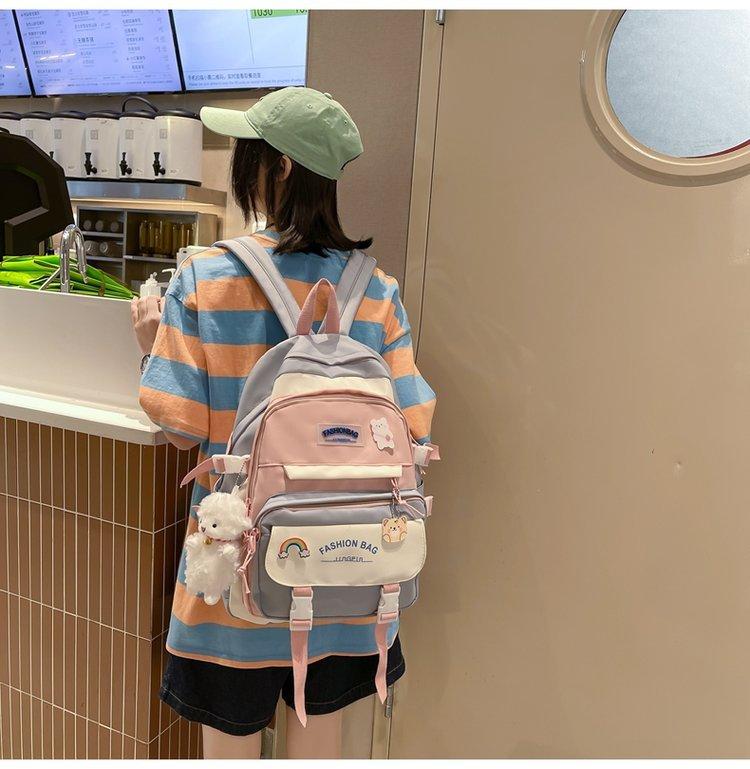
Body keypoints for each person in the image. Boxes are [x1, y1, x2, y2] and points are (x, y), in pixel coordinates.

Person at [131, 87, 436, 759]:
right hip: (349, 572)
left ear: (281, 166)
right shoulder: (376, 290)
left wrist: (153, 347)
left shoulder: (205, 276)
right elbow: (413, 422)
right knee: (319, 744)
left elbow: (181, 426)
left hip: (232, 572)